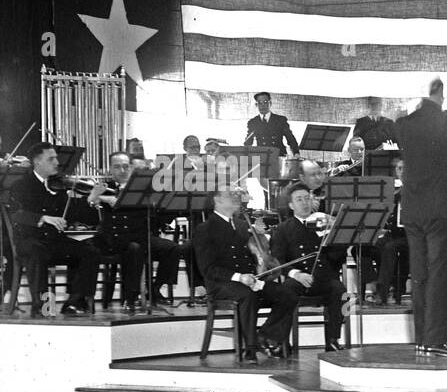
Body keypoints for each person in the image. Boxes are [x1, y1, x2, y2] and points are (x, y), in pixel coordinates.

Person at [394, 76, 447, 356]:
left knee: (420, 275)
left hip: (413, 211)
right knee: (440, 274)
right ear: (440, 95)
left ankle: (421, 339)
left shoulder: (404, 124)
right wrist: (444, 112)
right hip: (442, 209)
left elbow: (400, 128)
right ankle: (435, 340)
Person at [192, 187, 295, 363]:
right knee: (247, 295)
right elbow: (207, 269)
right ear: (217, 200)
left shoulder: (242, 225)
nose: (236, 197)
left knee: (288, 294)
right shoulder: (205, 228)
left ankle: (265, 336)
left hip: (249, 279)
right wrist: (239, 277)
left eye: (236, 194)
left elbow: (252, 255)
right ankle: (250, 349)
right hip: (222, 284)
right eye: (230, 195)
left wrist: (263, 244)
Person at [7, 142, 104, 316]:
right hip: (30, 240)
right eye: (51, 159)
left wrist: (91, 200)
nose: (57, 163)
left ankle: (74, 302)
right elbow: (16, 214)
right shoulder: (20, 185)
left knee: (90, 251)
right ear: (37, 162)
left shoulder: (57, 186)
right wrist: (43, 218)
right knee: (36, 251)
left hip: (53, 241)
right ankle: (42, 306)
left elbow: (75, 212)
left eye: (56, 158)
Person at [92, 152, 180, 309]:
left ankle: (154, 289)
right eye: (117, 167)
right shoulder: (104, 188)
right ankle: (130, 298)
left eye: (126, 166)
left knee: (172, 248)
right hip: (115, 239)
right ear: (110, 170)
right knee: (134, 249)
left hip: (140, 236)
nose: (123, 170)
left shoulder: (143, 190)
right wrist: (99, 198)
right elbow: (89, 206)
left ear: (131, 168)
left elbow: (156, 217)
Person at [271, 184, 346, 352]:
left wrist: (338, 234)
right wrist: (295, 274)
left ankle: (333, 340)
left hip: (324, 278)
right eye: (299, 199)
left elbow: (336, 257)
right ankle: (281, 342)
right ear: (291, 205)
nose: (305, 203)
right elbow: (277, 259)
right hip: (298, 279)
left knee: (341, 291)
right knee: (286, 290)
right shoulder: (283, 229)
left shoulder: (323, 223)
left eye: (307, 198)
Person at [375, 158, 407, 305]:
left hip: (411, 235)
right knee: (374, 243)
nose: (401, 172)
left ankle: (384, 290)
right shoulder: (394, 193)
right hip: (394, 234)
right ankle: (387, 285)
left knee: (390, 247)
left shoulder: (417, 192)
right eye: (399, 168)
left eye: (405, 168)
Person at [244, 92, 300, 156]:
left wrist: (296, 153)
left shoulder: (280, 120)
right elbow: (248, 142)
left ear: (270, 103)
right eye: (260, 103)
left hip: (279, 155)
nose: (262, 105)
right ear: (256, 105)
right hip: (262, 156)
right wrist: (245, 154)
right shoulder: (253, 122)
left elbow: (290, 138)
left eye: (265, 102)